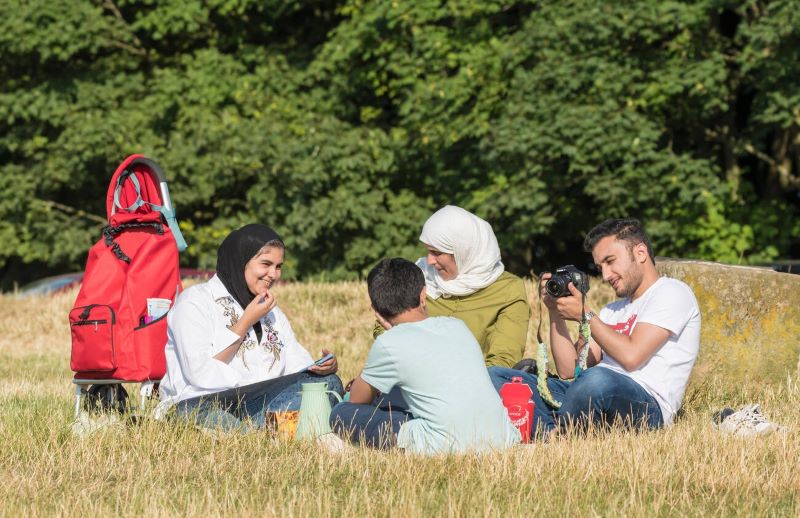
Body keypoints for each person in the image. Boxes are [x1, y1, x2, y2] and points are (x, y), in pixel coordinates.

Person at [489, 218, 701, 438]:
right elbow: (568, 370)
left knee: (596, 379)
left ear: (640, 253)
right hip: (591, 394)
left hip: (646, 405)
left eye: (610, 261)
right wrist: (555, 312)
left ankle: (560, 432)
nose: (606, 275)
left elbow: (632, 356)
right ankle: (552, 436)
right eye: (601, 267)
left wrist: (585, 314)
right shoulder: (612, 310)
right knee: (497, 377)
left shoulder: (672, 292)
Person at [156, 224, 342, 431]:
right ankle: (277, 431)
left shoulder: (271, 313)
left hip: (258, 406)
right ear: (240, 261)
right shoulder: (194, 302)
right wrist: (246, 321)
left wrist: (321, 369)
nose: (274, 274)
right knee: (196, 412)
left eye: (278, 266)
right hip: (201, 402)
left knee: (328, 384)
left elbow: (296, 367)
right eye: (266, 264)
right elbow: (199, 374)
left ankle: (267, 431)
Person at [332, 258, 521, 454]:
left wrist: (388, 338)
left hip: (445, 446)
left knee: (341, 412)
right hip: (501, 438)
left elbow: (357, 399)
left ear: (376, 310)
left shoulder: (389, 343)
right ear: (423, 295)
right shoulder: (456, 326)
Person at [374, 205, 530, 368]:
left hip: (474, 386)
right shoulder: (421, 274)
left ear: (464, 251)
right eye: (428, 251)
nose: (429, 261)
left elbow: (503, 361)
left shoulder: (508, 290)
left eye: (437, 253)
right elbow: (384, 324)